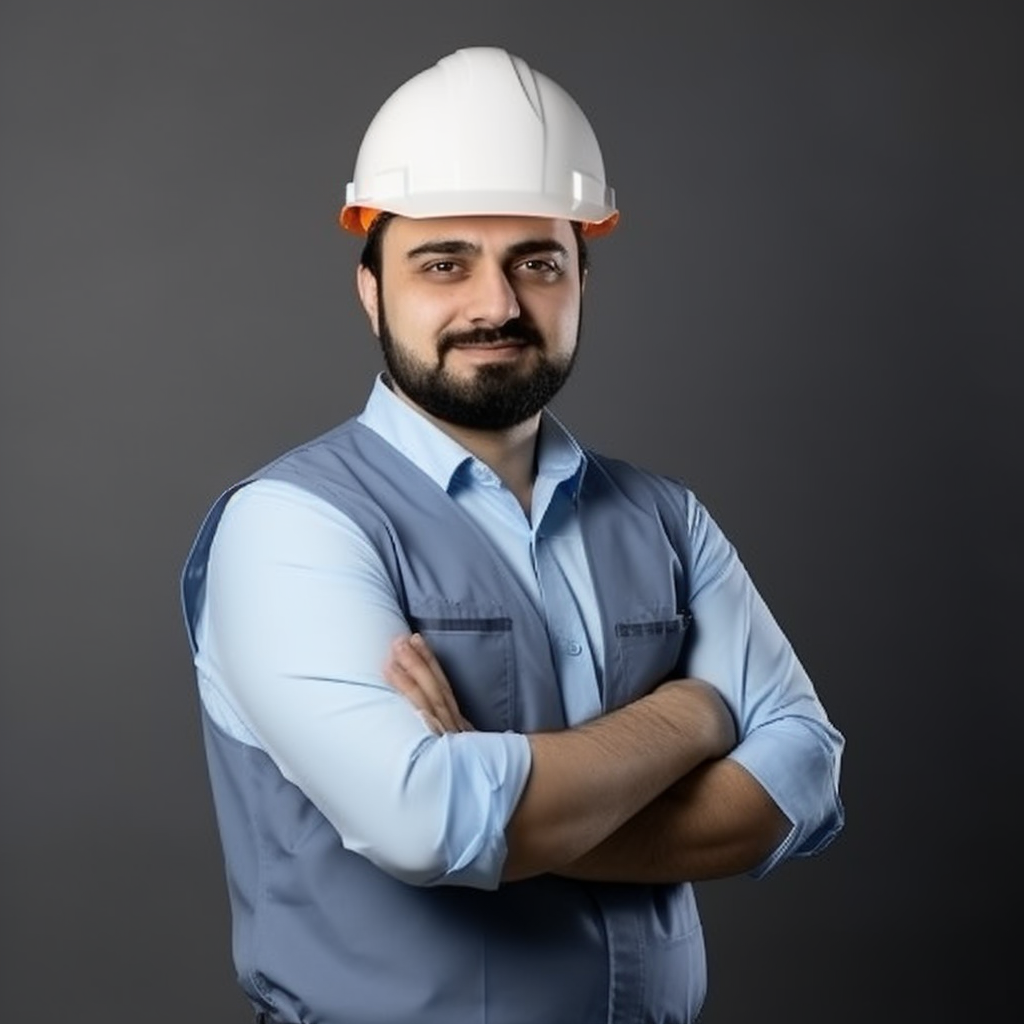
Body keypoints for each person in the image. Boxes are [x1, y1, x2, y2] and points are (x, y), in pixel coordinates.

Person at [180, 45, 845, 1024]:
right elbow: (425, 820)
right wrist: (693, 716)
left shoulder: (666, 517)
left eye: (535, 261)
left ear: (582, 277)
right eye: (442, 262)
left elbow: (802, 782)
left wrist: (517, 818)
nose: (495, 304)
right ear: (371, 290)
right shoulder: (289, 527)